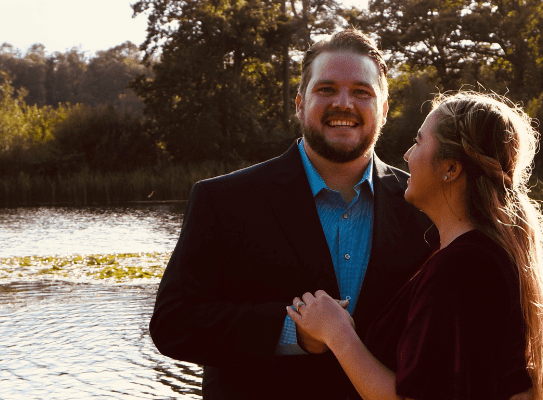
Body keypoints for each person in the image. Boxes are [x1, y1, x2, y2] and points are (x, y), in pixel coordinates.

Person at [149, 29, 438, 399]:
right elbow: (174, 324)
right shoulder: (223, 200)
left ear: (383, 109)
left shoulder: (426, 207)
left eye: (362, 92)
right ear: (300, 103)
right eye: (327, 89)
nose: (344, 104)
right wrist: (292, 332)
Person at [288, 92, 543, 400]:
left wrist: (336, 332)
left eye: (420, 142)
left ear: (450, 169)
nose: (408, 155)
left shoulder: (462, 269)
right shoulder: (476, 254)